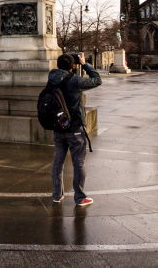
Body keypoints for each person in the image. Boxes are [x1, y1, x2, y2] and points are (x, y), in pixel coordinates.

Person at [48, 51, 101, 206]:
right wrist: (84, 64)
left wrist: (70, 59)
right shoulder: (75, 80)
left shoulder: (51, 78)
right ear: (72, 66)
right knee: (78, 163)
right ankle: (80, 197)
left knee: (58, 161)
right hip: (74, 128)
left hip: (58, 126)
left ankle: (57, 195)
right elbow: (97, 80)